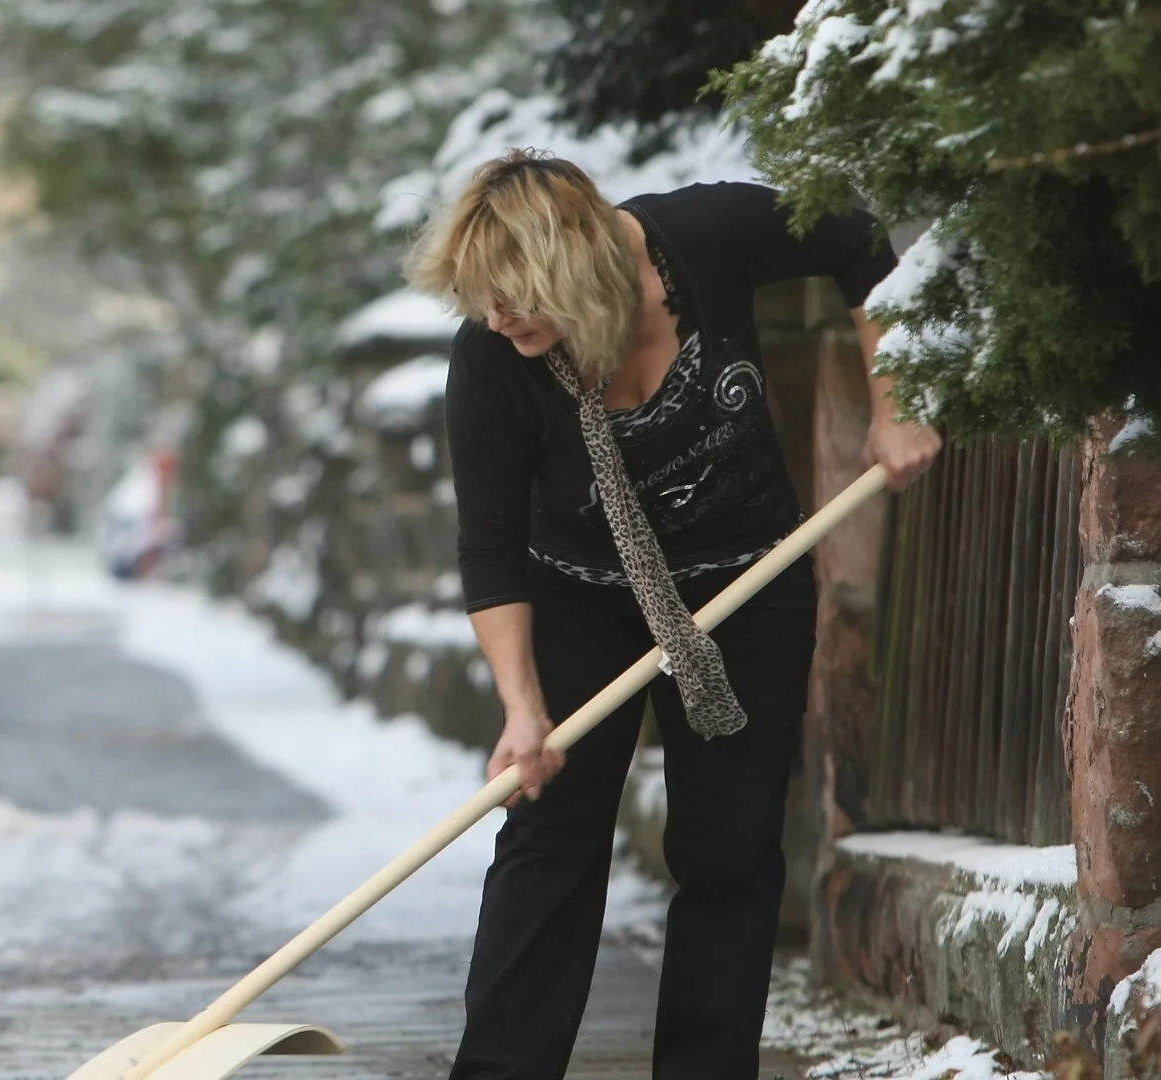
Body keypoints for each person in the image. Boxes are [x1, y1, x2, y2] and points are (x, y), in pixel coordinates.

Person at [402, 149, 941, 1079]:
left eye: (517, 294)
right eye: (482, 299)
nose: (499, 317)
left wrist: (896, 403)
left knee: (729, 850)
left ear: (578, 263)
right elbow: (490, 549)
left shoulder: (703, 237)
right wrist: (523, 709)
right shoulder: (491, 359)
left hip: (749, 578)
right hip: (582, 594)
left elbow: (855, 236)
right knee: (550, 832)